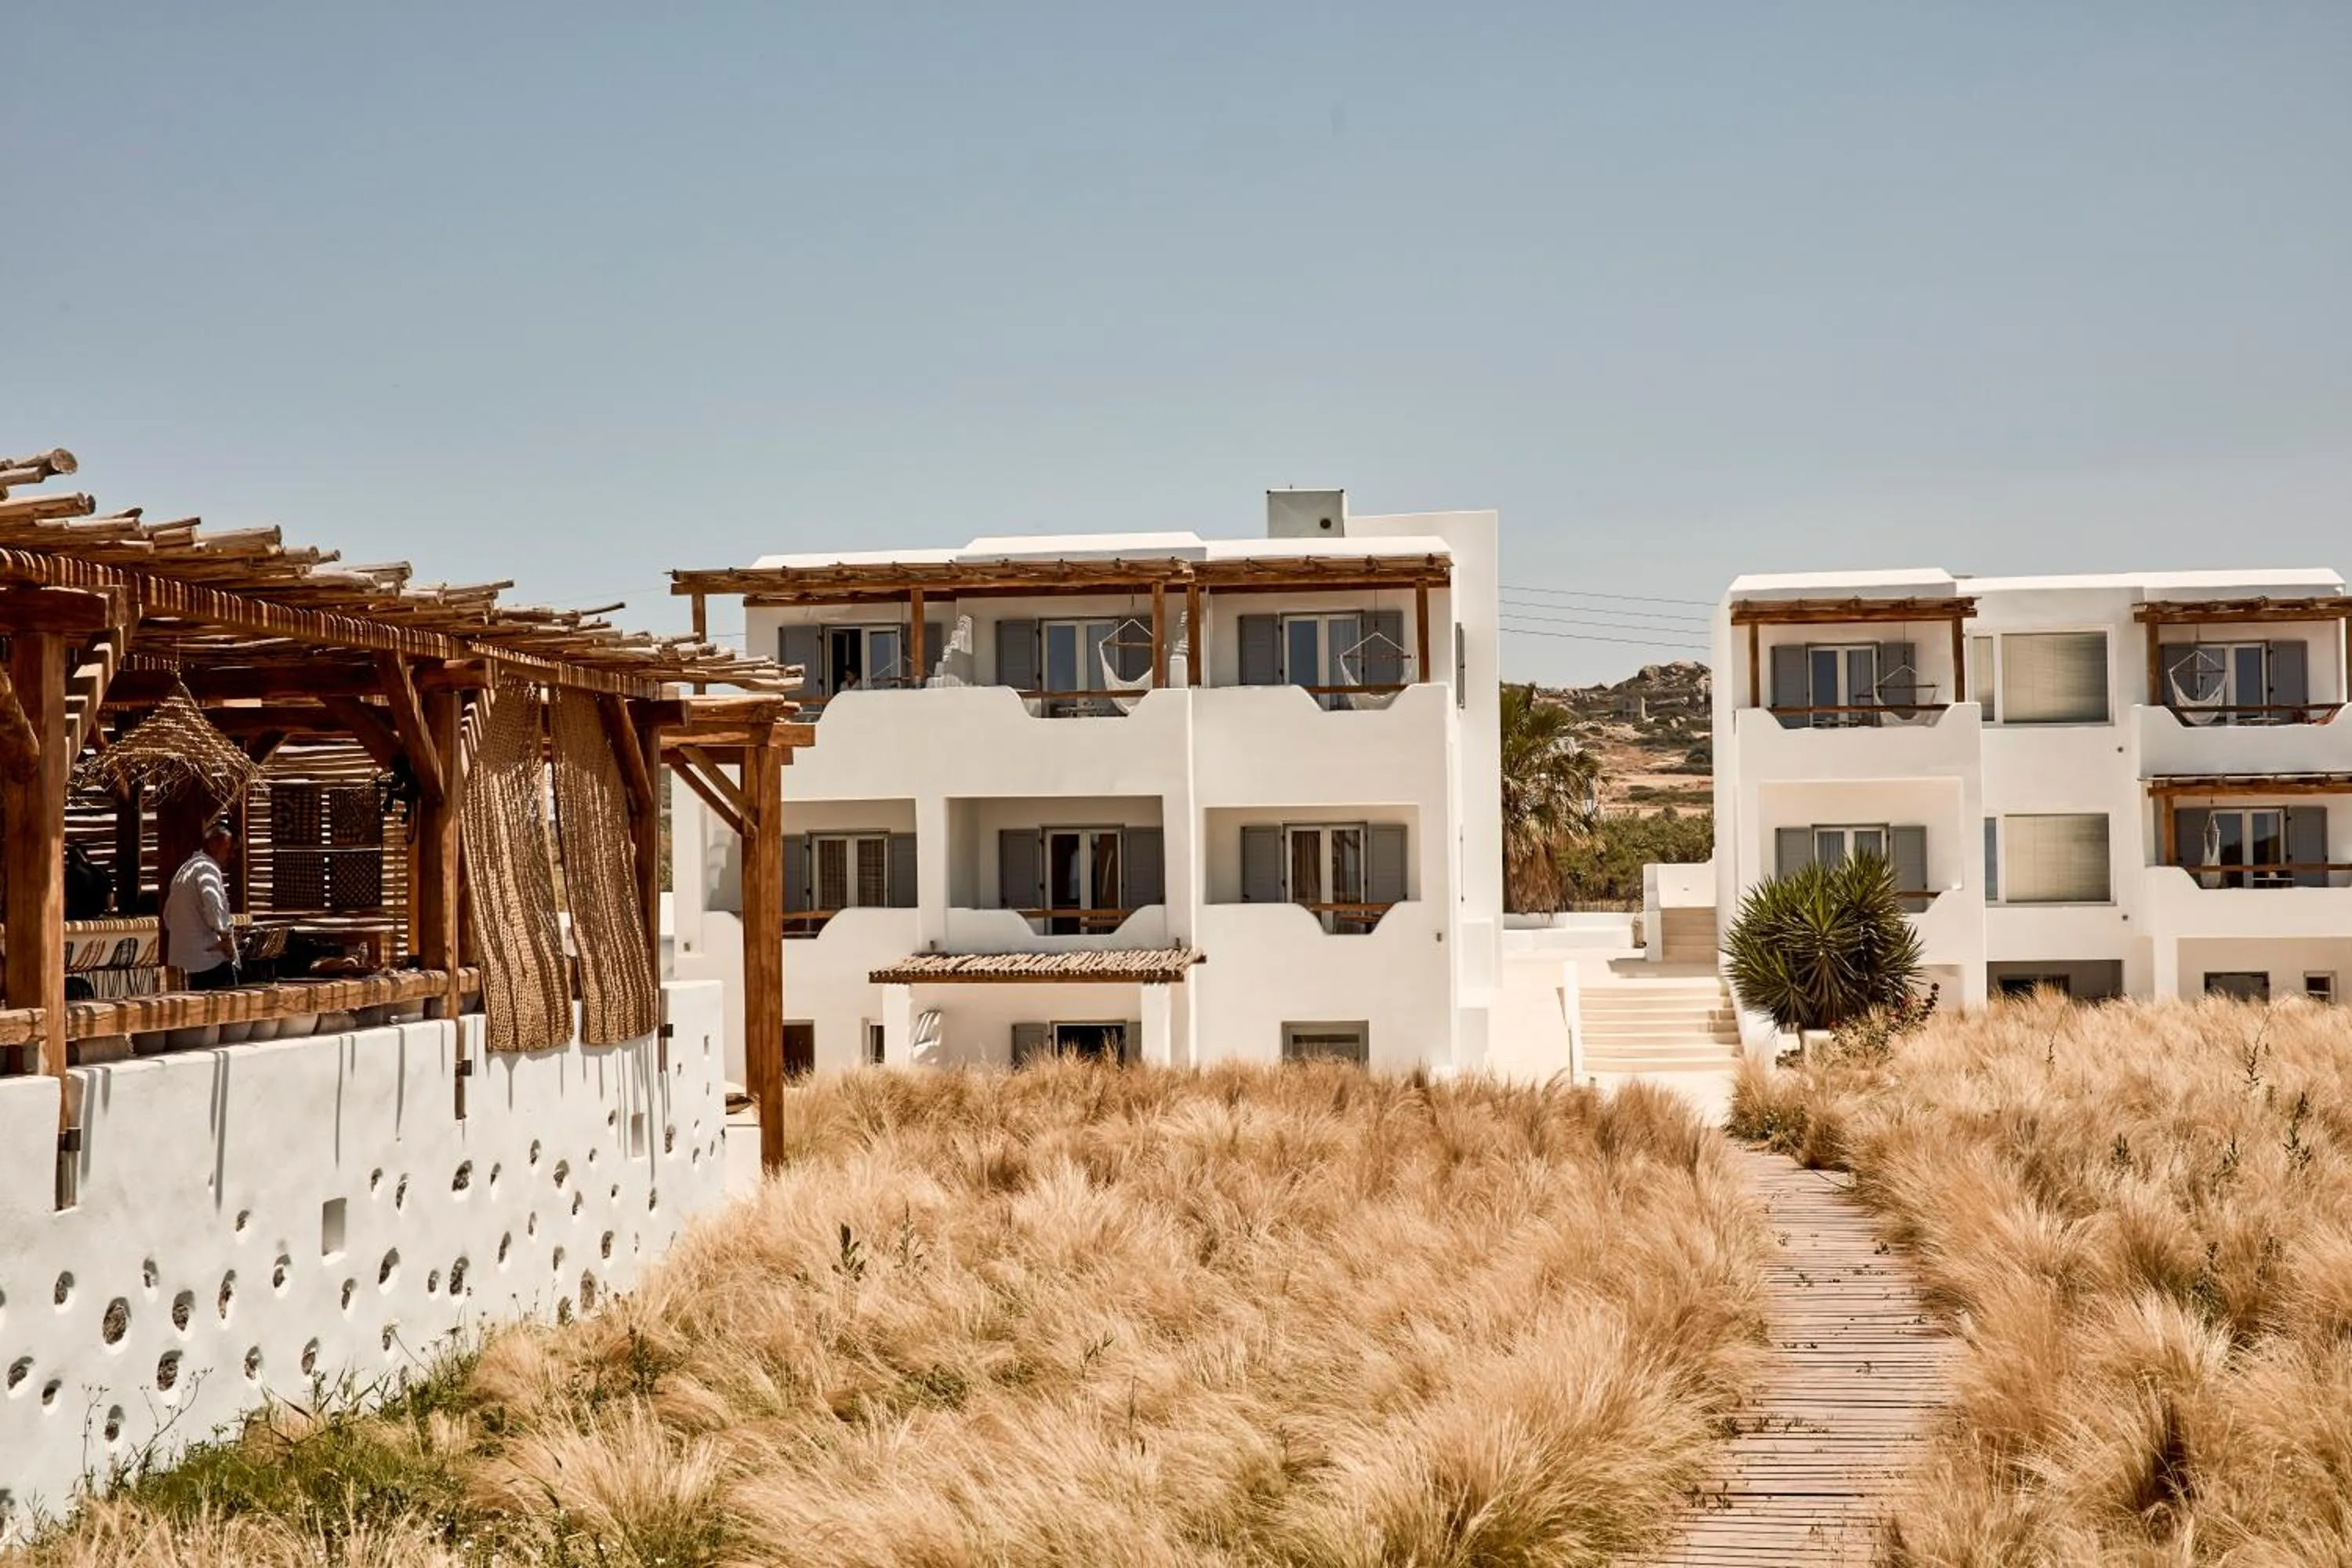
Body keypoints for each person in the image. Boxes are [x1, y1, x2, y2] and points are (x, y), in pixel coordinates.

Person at [164, 824, 240, 991]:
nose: (232, 855)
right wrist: (226, 940)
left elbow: (168, 917)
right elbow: (213, 907)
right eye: (229, 849)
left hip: (183, 963)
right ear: (213, 845)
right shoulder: (208, 869)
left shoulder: (184, 870)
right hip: (207, 963)